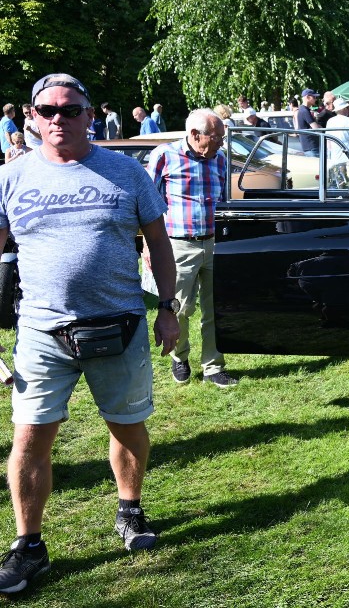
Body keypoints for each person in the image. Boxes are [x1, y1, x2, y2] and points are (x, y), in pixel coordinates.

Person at [0, 73, 180, 595]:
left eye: (70, 109)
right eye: (47, 110)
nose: (59, 118)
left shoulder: (126, 172)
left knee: (127, 424)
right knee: (30, 437)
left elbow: (160, 245)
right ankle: (29, 545)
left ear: (89, 115)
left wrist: (167, 307)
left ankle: (130, 508)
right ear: (31, 117)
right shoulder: (10, 178)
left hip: (118, 324)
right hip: (39, 328)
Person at [144, 108, 237, 389]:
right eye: (217, 137)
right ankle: (179, 357)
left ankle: (213, 366)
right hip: (179, 245)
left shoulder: (219, 159)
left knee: (215, 309)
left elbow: (225, 202)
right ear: (195, 135)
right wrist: (149, 245)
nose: (221, 142)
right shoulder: (164, 155)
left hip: (214, 242)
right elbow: (148, 205)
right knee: (179, 308)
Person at [296, 88, 321, 157]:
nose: (316, 99)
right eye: (314, 97)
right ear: (307, 97)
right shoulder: (305, 111)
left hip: (308, 146)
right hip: (311, 146)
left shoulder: (302, 110)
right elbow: (316, 128)